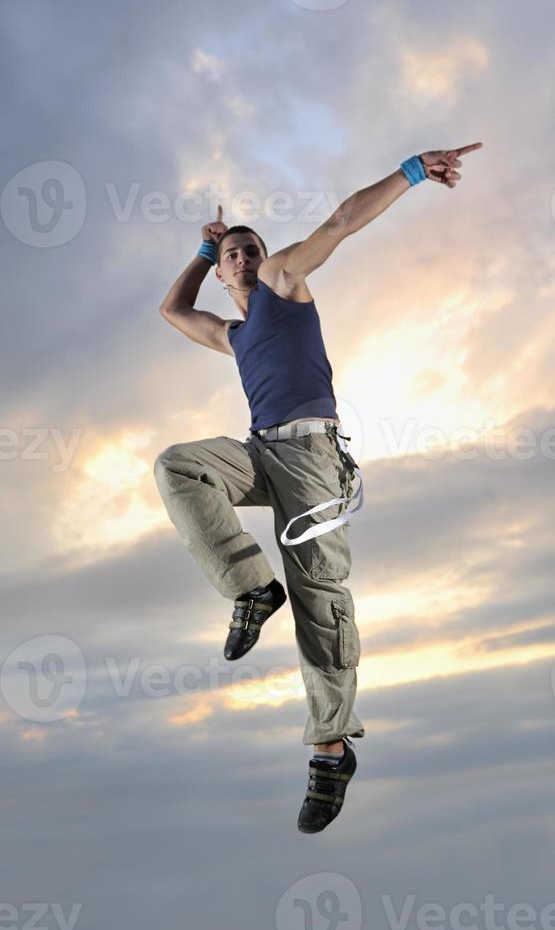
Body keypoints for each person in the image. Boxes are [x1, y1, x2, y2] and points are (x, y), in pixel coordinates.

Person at [154, 144, 483, 833]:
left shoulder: (281, 283)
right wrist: (201, 250)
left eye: (247, 248)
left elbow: (338, 223)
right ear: (221, 273)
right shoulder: (233, 334)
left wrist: (413, 171)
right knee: (179, 465)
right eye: (232, 256)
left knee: (320, 601)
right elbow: (170, 310)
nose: (242, 259)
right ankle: (250, 587)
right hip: (259, 452)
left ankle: (330, 749)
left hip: (310, 459)